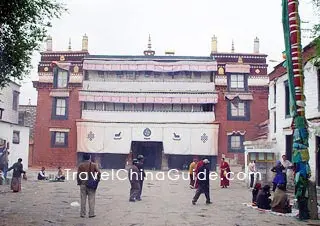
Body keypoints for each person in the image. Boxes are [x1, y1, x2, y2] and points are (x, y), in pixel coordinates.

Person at [77, 153, 101, 218]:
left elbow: (78, 175)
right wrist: (97, 180)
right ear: (89, 158)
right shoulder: (93, 165)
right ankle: (91, 213)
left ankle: (82, 214)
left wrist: (79, 182)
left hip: (83, 184)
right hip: (91, 184)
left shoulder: (81, 165)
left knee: (83, 199)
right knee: (91, 199)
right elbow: (99, 172)